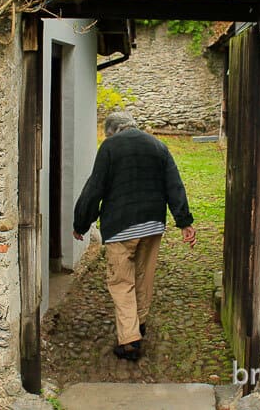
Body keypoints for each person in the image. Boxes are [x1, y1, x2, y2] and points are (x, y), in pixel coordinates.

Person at [72, 111, 197, 361]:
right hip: (152, 225)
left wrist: (81, 222)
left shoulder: (109, 147)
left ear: (113, 131)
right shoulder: (158, 146)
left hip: (121, 227)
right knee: (143, 277)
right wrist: (184, 222)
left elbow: (95, 187)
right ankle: (138, 324)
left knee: (121, 282)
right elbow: (174, 184)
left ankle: (129, 341)